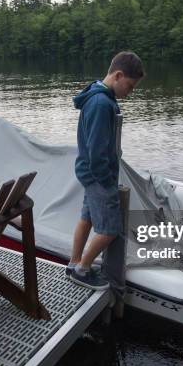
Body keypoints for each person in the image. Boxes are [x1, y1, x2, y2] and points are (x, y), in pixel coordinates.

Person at [67, 51, 144, 290]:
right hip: (98, 177)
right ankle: (82, 270)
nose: (129, 94)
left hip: (88, 175)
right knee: (110, 230)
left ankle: (73, 263)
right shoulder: (101, 103)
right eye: (129, 87)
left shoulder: (96, 95)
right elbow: (97, 151)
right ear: (118, 75)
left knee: (86, 218)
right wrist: (107, 181)